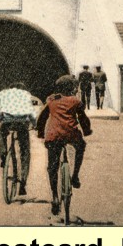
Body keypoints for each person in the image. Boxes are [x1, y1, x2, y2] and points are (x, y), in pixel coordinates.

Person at [36, 75, 92, 216]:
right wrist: (86, 131)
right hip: (71, 134)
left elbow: (42, 118)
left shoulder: (51, 100)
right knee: (81, 146)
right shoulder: (76, 101)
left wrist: (41, 133)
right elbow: (83, 118)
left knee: (52, 167)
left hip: (53, 135)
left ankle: (55, 197)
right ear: (70, 88)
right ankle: (75, 176)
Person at [0, 81, 38, 197]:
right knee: (25, 151)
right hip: (22, 123)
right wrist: (34, 124)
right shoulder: (26, 94)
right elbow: (32, 114)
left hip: (8, 122)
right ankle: (23, 182)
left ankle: (3, 154)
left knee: (0, 132)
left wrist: (1, 120)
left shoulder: (3, 93)